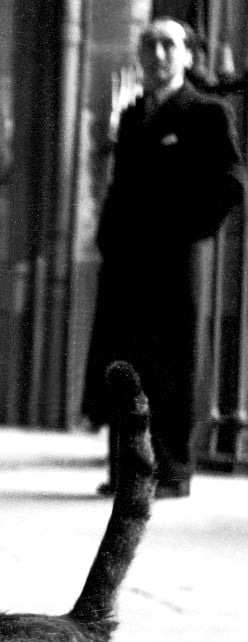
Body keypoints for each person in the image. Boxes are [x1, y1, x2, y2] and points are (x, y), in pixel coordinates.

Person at [83, 16, 245, 499]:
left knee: (174, 365)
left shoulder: (208, 114)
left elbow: (232, 183)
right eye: (149, 44)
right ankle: (127, 471)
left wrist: (191, 232)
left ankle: (171, 471)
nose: (157, 54)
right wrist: (108, 239)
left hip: (177, 263)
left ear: (188, 56)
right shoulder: (133, 118)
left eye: (168, 45)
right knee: (126, 364)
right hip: (129, 265)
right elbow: (118, 187)